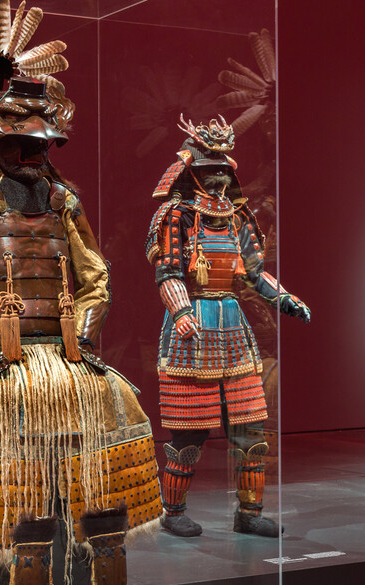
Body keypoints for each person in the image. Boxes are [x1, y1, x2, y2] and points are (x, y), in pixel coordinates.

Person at [0, 4, 160, 585]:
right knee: (12, 486)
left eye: (41, 145)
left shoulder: (65, 204)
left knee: (120, 412)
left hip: (65, 358)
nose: (34, 156)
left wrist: (81, 336)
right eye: (22, 145)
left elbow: (96, 277)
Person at [145, 116, 310, 538]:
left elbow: (255, 271)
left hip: (233, 326)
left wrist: (285, 298)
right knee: (189, 432)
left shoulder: (239, 216)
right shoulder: (174, 215)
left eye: (222, 169)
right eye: (208, 169)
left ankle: (248, 513)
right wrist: (182, 312)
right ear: (191, 170)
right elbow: (168, 272)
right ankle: (173, 510)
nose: (217, 177)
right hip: (193, 326)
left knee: (250, 430)